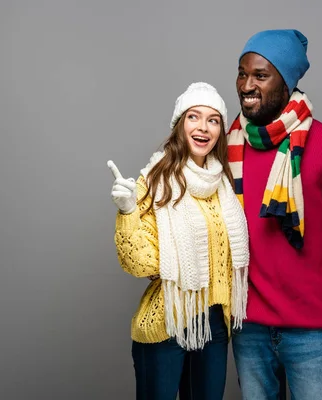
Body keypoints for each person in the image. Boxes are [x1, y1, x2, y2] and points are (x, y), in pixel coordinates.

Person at [226, 29, 322, 400]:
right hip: (249, 327)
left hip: (312, 333)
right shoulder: (227, 147)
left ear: (286, 82)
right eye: (242, 73)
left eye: (260, 75)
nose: (246, 85)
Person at [107, 82, 249, 399]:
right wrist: (128, 210)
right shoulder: (155, 178)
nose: (203, 127)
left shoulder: (224, 184)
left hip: (214, 324)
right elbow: (138, 263)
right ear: (180, 124)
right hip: (167, 320)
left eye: (213, 120)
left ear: (220, 131)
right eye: (194, 117)